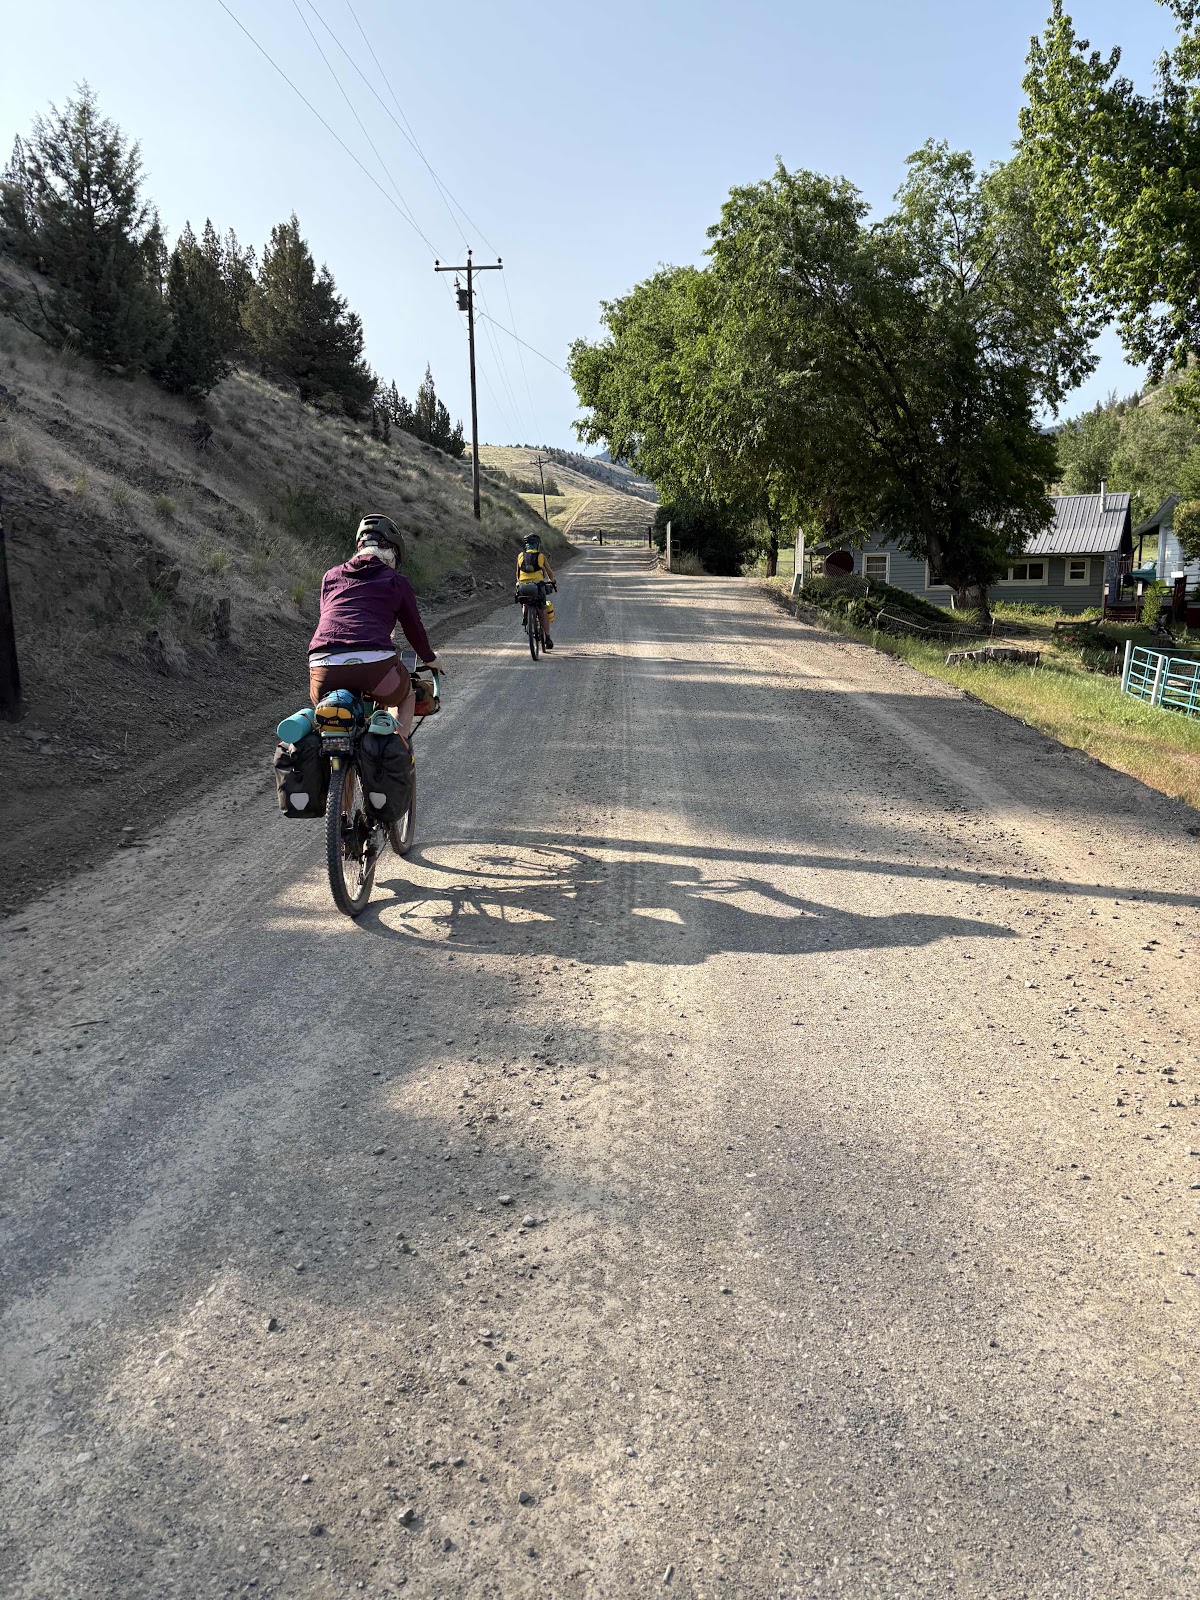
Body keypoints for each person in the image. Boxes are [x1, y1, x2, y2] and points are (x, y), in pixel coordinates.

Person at [308, 515, 440, 737]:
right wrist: (430, 658)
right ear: (393, 554)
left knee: (330, 713)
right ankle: (399, 746)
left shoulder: (330, 576)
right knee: (406, 694)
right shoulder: (396, 581)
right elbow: (413, 629)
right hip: (375, 664)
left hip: (323, 664)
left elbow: (330, 618)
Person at [515, 532, 556, 650]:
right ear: (537, 545)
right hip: (537, 587)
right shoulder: (540, 556)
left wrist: (519, 583)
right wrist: (552, 581)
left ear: (526, 545)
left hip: (523, 586)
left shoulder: (520, 556)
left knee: (525, 601)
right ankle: (547, 638)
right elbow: (549, 571)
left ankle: (526, 616)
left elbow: (517, 573)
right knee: (543, 610)